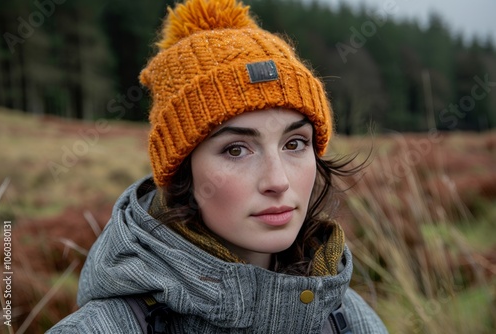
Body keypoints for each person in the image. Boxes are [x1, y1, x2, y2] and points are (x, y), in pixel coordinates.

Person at [48, 0, 388, 332]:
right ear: (183, 170)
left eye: (294, 144)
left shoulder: (348, 319)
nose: (278, 180)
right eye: (236, 149)